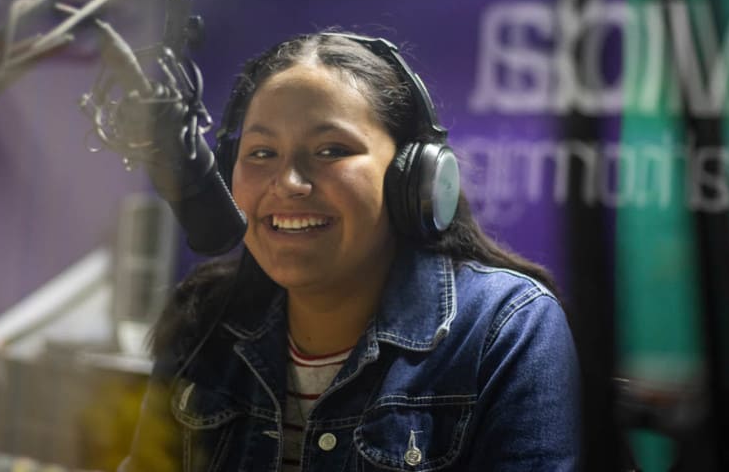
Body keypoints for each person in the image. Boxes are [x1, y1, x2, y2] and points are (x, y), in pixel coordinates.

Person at [120, 32, 579, 472]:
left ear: (413, 177)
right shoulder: (205, 320)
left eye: (330, 149)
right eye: (261, 153)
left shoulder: (507, 329)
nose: (289, 184)